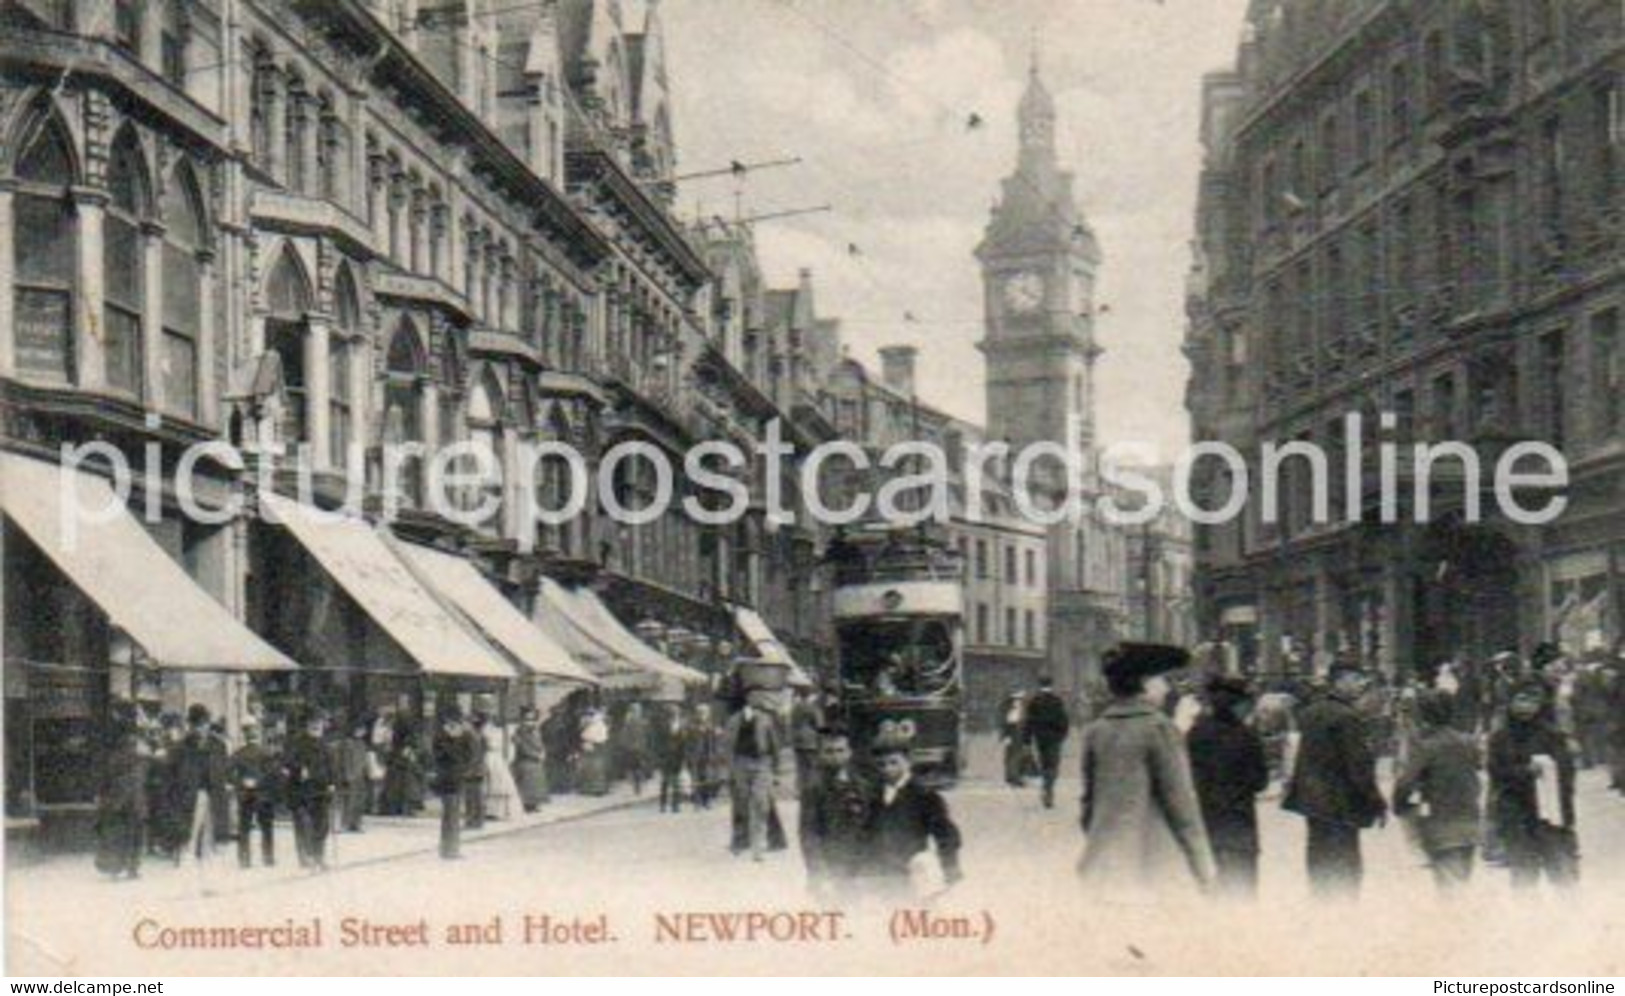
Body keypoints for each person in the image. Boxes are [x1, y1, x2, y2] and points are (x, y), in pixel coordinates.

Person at [1077, 643, 1215, 899]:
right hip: (1153, 869)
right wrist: (1204, 869)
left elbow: (1087, 808)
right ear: (1145, 683)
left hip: (1102, 868)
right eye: (1161, 679)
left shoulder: (1096, 731)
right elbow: (1182, 807)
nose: (1166, 687)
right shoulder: (1159, 728)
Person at [1283, 662, 1387, 899]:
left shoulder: (1310, 713)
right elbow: (1358, 767)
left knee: (1319, 863)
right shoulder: (1347, 717)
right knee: (1345, 870)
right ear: (1339, 681)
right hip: (1341, 806)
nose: (1360, 685)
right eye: (1355, 679)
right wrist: (1375, 801)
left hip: (1313, 804)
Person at [1487, 677, 1578, 889]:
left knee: (1562, 877)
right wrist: (1525, 772)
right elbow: (1496, 772)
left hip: (1549, 815)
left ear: (1541, 704)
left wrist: (1566, 819)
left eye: (1532, 700)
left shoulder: (1553, 736)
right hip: (1516, 814)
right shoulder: (1500, 738)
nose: (1525, 706)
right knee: (1523, 878)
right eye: (1520, 699)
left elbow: (1567, 778)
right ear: (1510, 702)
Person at [1187, 675, 1269, 898]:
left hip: (1206, 823)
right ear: (1238, 704)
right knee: (1241, 892)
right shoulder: (1246, 735)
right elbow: (1260, 781)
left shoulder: (1196, 733)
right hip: (1239, 824)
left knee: (1212, 894)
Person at [1392, 689, 1482, 893]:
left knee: (1448, 888)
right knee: (1462, 880)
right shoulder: (1468, 742)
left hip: (1440, 822)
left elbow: (1406, 783)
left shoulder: (1426, 747)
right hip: (1470, 820)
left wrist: (1399, 805)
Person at [863, 743, 962, 897]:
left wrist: (950, 867)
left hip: (913, 872)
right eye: (881, 764)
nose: (888, 769)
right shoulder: (872, 794)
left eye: (894, 762)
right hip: (879, 873)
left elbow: (946, 834)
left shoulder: (924, 795)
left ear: (908, 762)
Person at [800, 726, 873, 897]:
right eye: (829, 751)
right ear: (820, 754)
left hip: (860, 868)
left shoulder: (863, 785)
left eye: (841, 750)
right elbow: (809, 835)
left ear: (849, 752)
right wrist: (820, 874)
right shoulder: (813, 788)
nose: (835, 756)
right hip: (830, 870)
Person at [725, 697, 782, 861]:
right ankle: (740, 841)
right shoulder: (733, 721)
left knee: (760, 803)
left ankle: (758, 847)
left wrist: (776, 770)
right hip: (740, 764)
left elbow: (774, 745)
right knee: (741, 804)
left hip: (761, 764)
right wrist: (729, 770)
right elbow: (728, 746)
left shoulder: (766, 720)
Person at [174, 704, 228, 875]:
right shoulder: (183, 745)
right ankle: (187, 866)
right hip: (191, 793)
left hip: (213, 793)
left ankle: (208, 871)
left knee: (210, 834)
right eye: (198, 725)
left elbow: (222, 769)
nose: (201, 728)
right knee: (190, 832)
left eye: (204, 724)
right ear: (192, 725)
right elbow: (175, 771)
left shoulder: (218, 745)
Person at [282, 710, 336, 871]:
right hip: (301, 792)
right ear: (306, 725)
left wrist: (332, 783)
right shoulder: (296, 743)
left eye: (319, 723)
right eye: (313, 723)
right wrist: (299, 770)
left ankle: (319, 856)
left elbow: (331, 766)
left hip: (321, 791)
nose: (316, 726)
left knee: (322, 826)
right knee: (304, 825)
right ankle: (307, 857)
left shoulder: (326, 745)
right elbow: (286, 764)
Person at [95, 721, 148, 881]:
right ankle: (131, 868)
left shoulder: (113, 757)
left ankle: (115, 868)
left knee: (117, 836)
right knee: (133, 836)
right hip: (132, 802)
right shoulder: (138, 757)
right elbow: (141, 779)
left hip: (119, 802)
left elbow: (105, 781)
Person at [228, 723, 278, 868]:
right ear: (258, 735)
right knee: (266, 827)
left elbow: (227, 772)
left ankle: (244, 859)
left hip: (245, 794)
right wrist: (261, 782)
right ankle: (268, 857)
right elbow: (272, 774)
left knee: (244, 827)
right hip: (264, 795)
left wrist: (242, 782)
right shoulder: (266, 753)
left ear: (245, 736)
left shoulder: (239, 754)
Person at [1023, 676, 1071, 808]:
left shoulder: (1034, 701)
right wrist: (1062, 736)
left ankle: (1046, 786)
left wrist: (1026, 740)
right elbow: (1064, 720)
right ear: (1051, 685)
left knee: (1044, 763)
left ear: (1039, 685)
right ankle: (1049, 788)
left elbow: (1029, 722)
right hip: (1054, 738)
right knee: (1053, 764)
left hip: (1040, 738)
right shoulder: (1056, 701)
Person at [432, 708, 473, 860]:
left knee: (454, 816)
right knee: (449, 816)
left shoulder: (463, 736)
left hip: (457, 779)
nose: (455, 725)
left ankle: (452, 848)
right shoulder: (441, 737)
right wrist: (453, 739)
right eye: (452, 722)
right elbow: (445, 756)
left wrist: (462, 736)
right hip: (446, 780)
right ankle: (448, 849)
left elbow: (469, 755)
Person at [654, 704, 693, 814]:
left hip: (678, 757)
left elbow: (686, 743)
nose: (674, 715)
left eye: (676, 713)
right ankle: (663, 804)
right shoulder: (662, 725)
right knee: (665, 782)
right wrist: (659, 757)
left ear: (679, 714)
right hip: (666, 757)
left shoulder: (683, 725)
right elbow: (658, 742)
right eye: (672, 713)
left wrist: (685, 757)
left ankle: (675, 805)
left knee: (676, 782)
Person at [510, 706, 548, 812]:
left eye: (532, 719)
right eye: (527, 719)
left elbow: (540, 743)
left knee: (537, 782)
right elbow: (521, 746)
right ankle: (527, 804)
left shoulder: (536, 730)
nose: (530, 722)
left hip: (536, 759)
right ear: (522, 719)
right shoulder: (519, 731)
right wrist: (535, 755)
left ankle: (535, 803)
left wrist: (543, 752)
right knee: (527, 782)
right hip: (525, 760)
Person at [482, 715, 520, 821]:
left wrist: (509, 759)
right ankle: (488, 810)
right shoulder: (487, 730)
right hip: (490, 758)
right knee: (490, 784)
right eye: (494, 719)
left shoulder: (507, 732)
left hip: (499, 759)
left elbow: (511, 746)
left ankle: (501, 811)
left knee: (501, 785)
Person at [336, 722, 370, 833]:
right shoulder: (347, 743)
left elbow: (364, 760)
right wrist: (347, 775)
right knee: (348, 801)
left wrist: (366, 773)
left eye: (363, 730)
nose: (362, 732)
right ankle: (345, 824)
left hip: (360, 776)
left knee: (359, 801)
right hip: (350, 776)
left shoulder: (362, 743)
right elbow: (345, 761)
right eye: (359, 730)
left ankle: (356, 824)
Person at [687, 702, 722, 809]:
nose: (703, 715)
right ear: (697, 714)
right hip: (695, 756)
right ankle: (697, 801)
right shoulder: (692, 725)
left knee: (707, 778)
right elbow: (687, 739)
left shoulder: (712, 725)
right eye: (700, 712)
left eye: (705, 712)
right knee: (696, 779)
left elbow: (717, 740)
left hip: (708, 756)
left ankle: (707, 800)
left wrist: (717, 733)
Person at [617, 703, 652, 796]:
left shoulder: (632, 722)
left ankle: (638, 786)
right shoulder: (641, 722)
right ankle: (638, 785)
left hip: (633, 748)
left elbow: (625, 735)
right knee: (636, 766)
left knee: (635, 767)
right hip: (638, 747)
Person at [463, 713, 490, 828]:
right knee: (479, 796)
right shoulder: (482, 735)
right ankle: (479, 820)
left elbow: (470, 754)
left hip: (471, 769)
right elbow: (484, 752)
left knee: (470, 797)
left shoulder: (469, 735)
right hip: (479, 768)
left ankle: (471, 820)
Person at [577, 707, 611, 796]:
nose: (587, 717)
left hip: (596, 747)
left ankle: (598, 789)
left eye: (589, 715)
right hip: (589, 747)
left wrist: (591, 741)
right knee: (589, 769)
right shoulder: (587, 723)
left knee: (597, 769)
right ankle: (590, 788)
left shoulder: (598, 724)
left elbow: (602, 737)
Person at [998, 691, 1028, 788]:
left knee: (1010, 755)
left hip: (1011, 733)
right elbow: (1013, 720)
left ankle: (1010, 776)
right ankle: (1014, 777)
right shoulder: (1014, 706)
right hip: (1015, 733)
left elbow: (1003, 721)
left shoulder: (1006, 705)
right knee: (1015, 755)